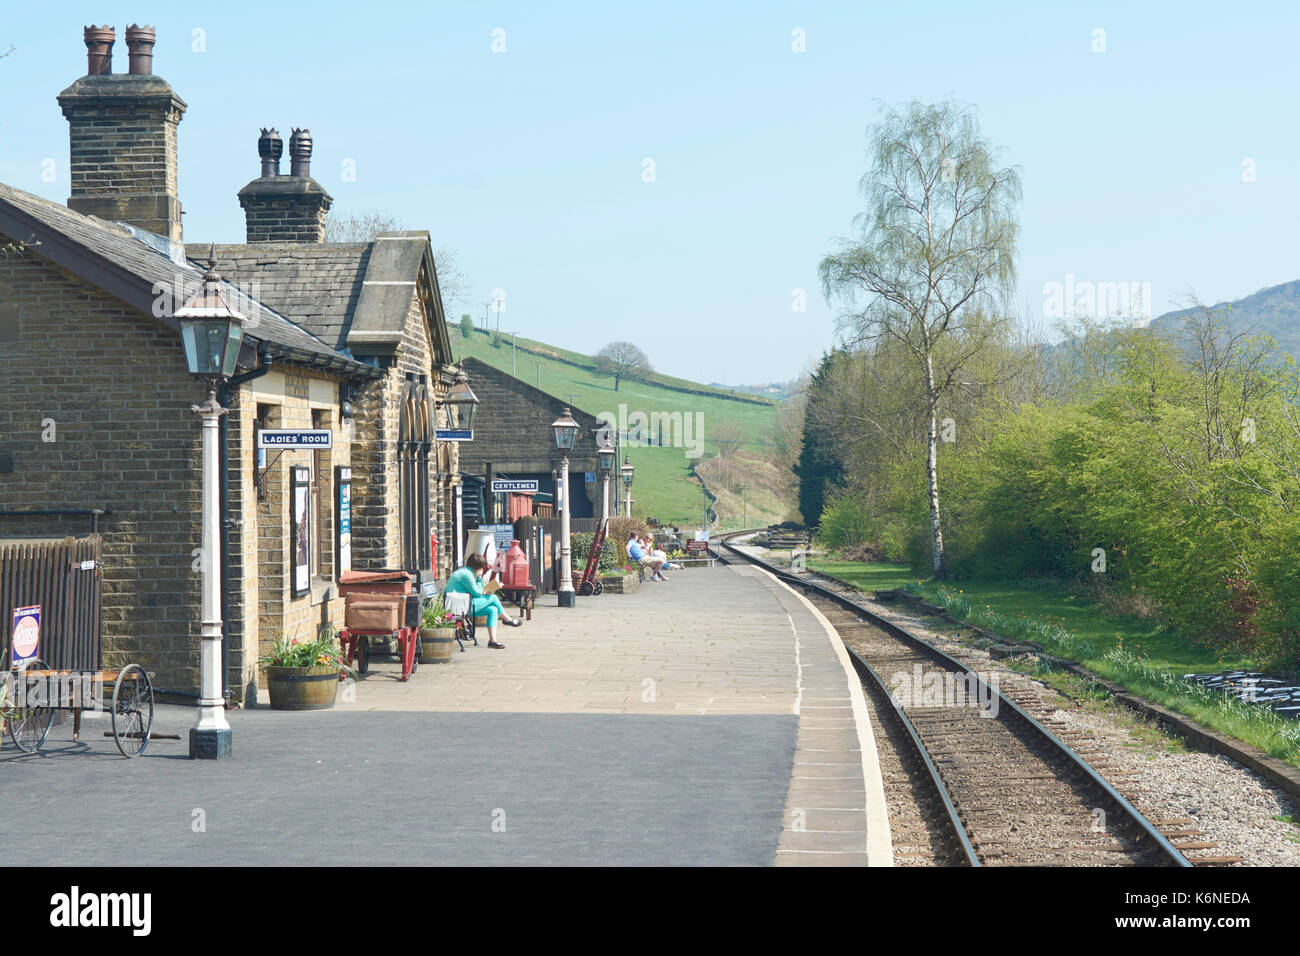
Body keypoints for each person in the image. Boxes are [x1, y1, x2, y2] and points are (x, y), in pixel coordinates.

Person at [444, 552, 520, 649]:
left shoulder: (467, 572)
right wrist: (480, 579)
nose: (483, 569)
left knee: (493, 609)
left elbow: (478, 591)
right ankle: (507, 619)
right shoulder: (466, 575)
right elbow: (477, 592)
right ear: (478, 567)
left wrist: (482, 582)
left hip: (464, 603)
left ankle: (493, 641)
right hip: (460, 606)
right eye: (482, 567)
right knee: (493, 598)